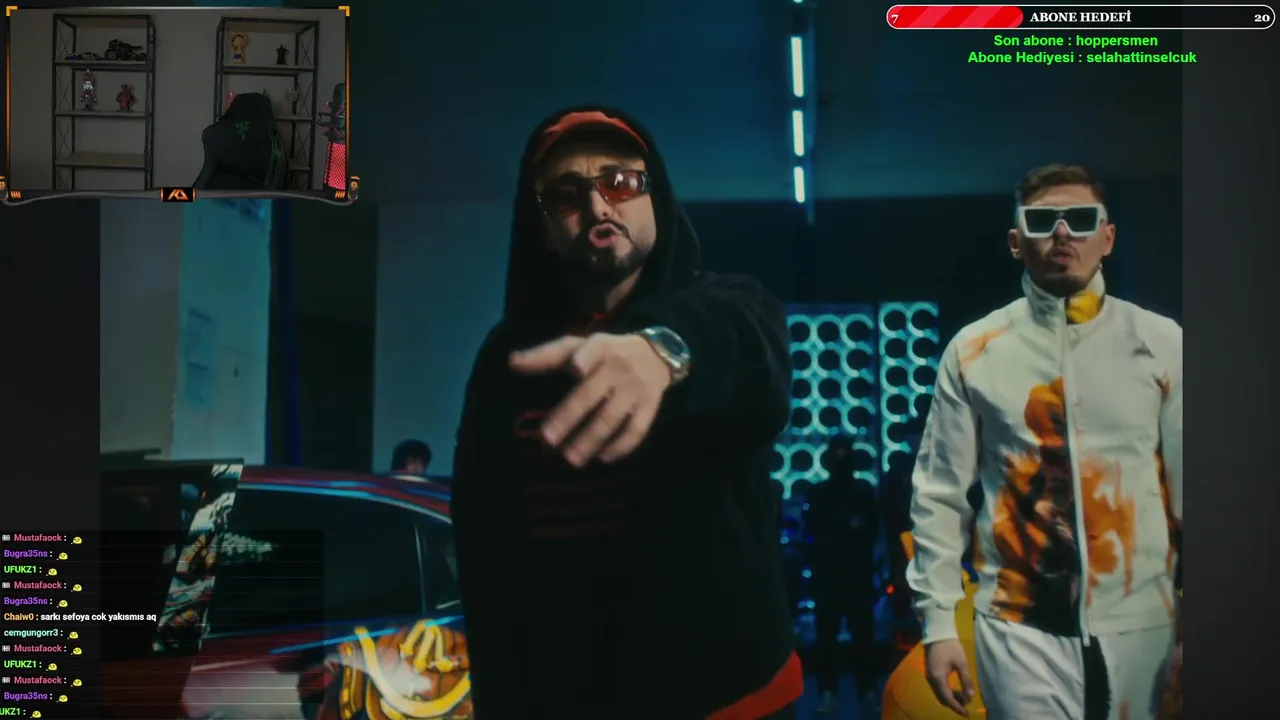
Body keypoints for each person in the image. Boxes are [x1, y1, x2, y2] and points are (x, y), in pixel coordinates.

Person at [449, 106, 800, 720]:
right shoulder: (507, 359)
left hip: (733, 701)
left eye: (620, 182)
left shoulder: (732, 307)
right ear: (541, 228)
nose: (598, 206)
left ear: (655, 199)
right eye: (565, 195)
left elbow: (754, 360)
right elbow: (486, 548)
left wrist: (664, 351)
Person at [907, 164, 1182, 719]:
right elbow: (939, 493)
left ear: (1107, 237)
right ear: (1016, 242)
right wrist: (938, 625)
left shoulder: (1161, 342)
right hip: (1018, 624)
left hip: (1146, 622)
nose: (1061, 233)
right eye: (1042, 221)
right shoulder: (975, 350)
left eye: (1079, 219)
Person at [804, 436, 881, 714]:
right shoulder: (821, 493)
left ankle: (862, 691)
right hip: (834, 576)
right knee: (831, 636)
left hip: (851, 575)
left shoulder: (861, 491)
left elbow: (870, 529)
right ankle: (833, 692)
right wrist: (850, 528)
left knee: (860, 636)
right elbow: (814, 530)